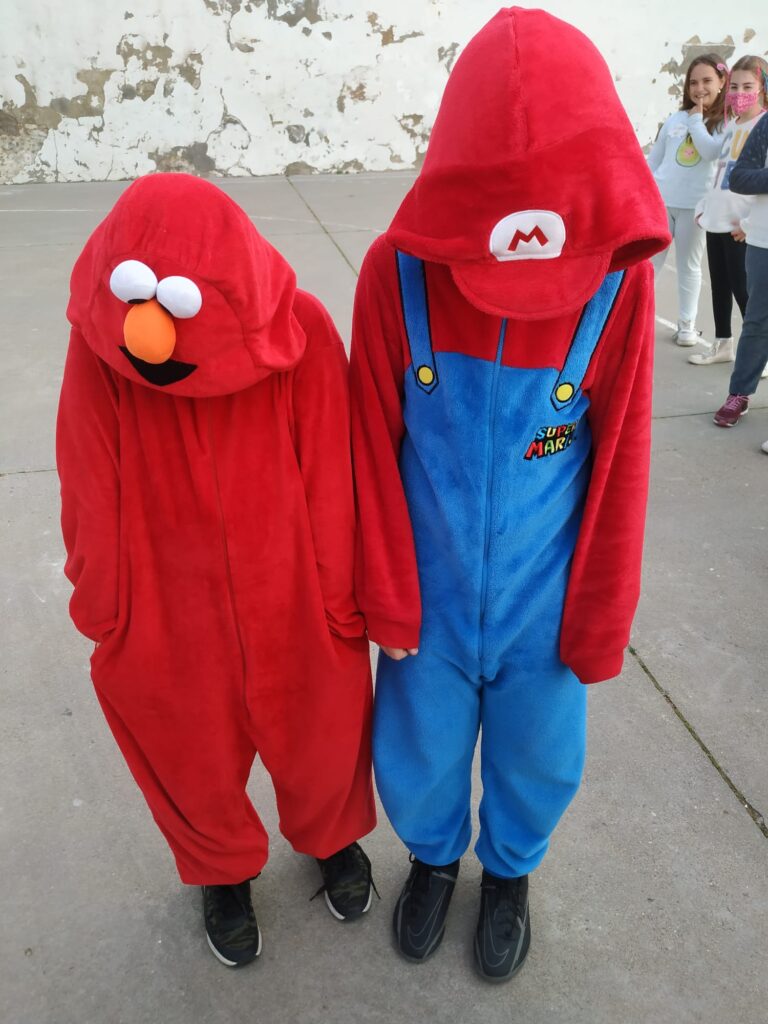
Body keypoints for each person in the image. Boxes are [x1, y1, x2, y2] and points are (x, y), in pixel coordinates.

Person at [349, 7, 669, 984]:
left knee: (539, 754)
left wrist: (599, 617)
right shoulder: (395, 273)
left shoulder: (618, 287)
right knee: (419, 746)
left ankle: (510, 872)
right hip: (431, 595)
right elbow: (367, 447)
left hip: (546, 599)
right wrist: (388, 595)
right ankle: (435, 857)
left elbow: (622, 457)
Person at [57, 173, 377, 968]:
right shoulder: (105, 345)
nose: (153, 334)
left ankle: (332, 837)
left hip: (289, 575)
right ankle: (219, 867)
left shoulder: (299, 329)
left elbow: (330, 466)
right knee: (184, 740)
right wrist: (104, 600)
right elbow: (88, 470)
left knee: (323, 722)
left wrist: (338, 594)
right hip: (164, 586)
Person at [689, 56, 767, 367]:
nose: (739, 93)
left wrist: (749, 223)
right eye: (734, 86)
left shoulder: (762, 126)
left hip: (741, 227)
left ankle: (759, 355)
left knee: (746, 293)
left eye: (748, 86)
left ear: (762, 89)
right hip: (717, 220)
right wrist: (704, 207)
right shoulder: (732, 125)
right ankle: (723, 344)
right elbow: (719, 169)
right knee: (719, 287)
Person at [649, 54, 727, 344]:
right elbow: (654, 161)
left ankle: (686, 326)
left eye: (707, 81)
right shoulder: (675, 119)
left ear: (722, 82)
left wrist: (697, 121)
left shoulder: (724, 123)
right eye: (693, 82)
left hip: (695, 207)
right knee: (648, 265)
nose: (699, 88)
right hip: (662, 203)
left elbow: (710, 152)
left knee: (689, 267)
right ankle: (635, 320)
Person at [711, 63, 768, 430]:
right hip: (763, 241)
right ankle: (739, 393)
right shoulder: (765, 126)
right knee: (757, 322)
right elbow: (740, 178)